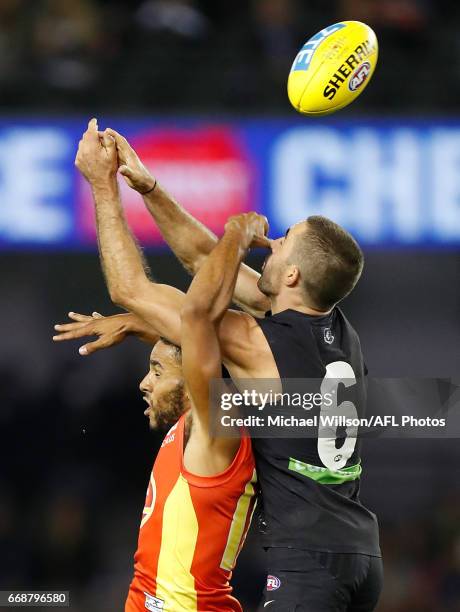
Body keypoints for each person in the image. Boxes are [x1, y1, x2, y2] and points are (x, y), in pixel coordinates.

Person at [72, 118, 383, 611]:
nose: (273, 244)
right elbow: (202, 259)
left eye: (283, 241)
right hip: (361, 554)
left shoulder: (256, 343)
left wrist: (103, 186)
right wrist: (148, 187)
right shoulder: (339, 333)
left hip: (307, 566)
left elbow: (157, 297)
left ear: (293, 274)